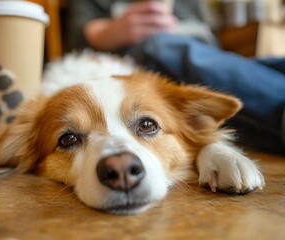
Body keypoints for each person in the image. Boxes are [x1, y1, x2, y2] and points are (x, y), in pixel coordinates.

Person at [66, 0, 285, 155]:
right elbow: (78, 37)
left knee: (274, 64)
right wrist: (115, 29)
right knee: (160, 44)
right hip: (146, 63)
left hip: (206, 61)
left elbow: (212, 39)